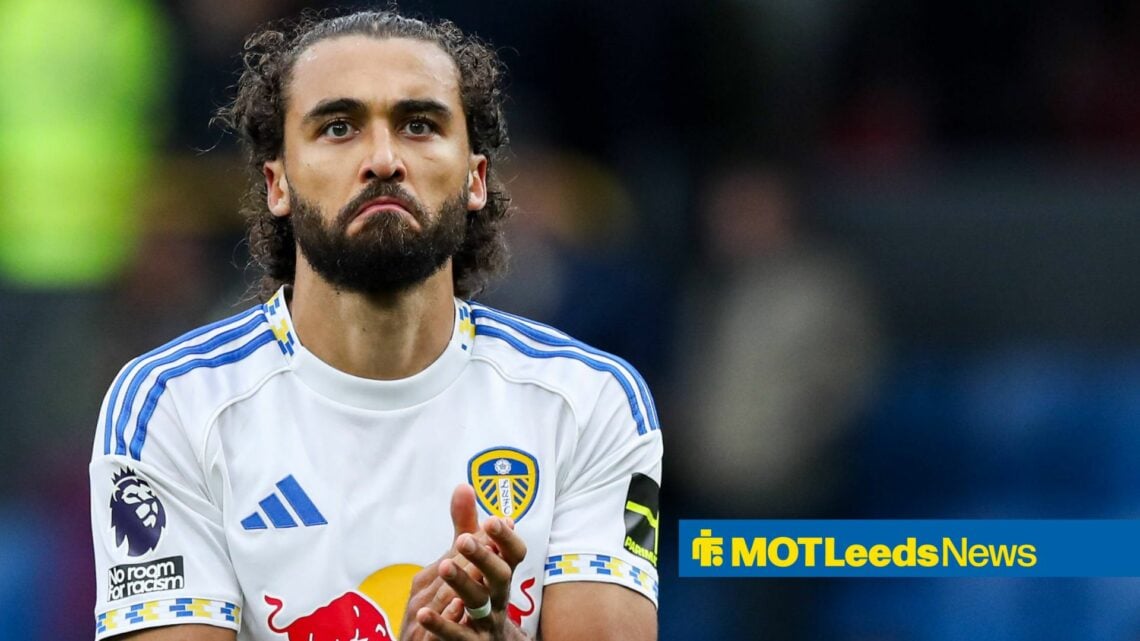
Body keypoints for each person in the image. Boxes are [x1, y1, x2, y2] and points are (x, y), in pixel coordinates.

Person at [89, 10, 662, 641]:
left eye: (420, 125)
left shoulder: (588, 402)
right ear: (277, 183)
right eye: (338, 127)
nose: (384, 160)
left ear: (475, 178)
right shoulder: (174, 406)